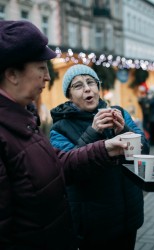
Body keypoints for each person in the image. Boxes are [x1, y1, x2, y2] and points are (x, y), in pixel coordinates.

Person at [0, 20, 129, 250]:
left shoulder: (25, 120)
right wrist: (94, 133)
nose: (48, 77)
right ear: (12, 74)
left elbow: (57, 166)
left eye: (91, 83)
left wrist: (108, 147)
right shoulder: (17, 130)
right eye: (41, 67)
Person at [49, 64, 150, 250]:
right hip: (93, 223)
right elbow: (69, 169)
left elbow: (144, 151)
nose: (87, 88)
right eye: (78, 86)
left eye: (91, 82)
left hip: (128, 214)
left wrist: (124, 129)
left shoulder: (120, 113)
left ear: (98, 87)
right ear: (69, 96)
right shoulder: (59, 128)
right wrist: (93, 131)